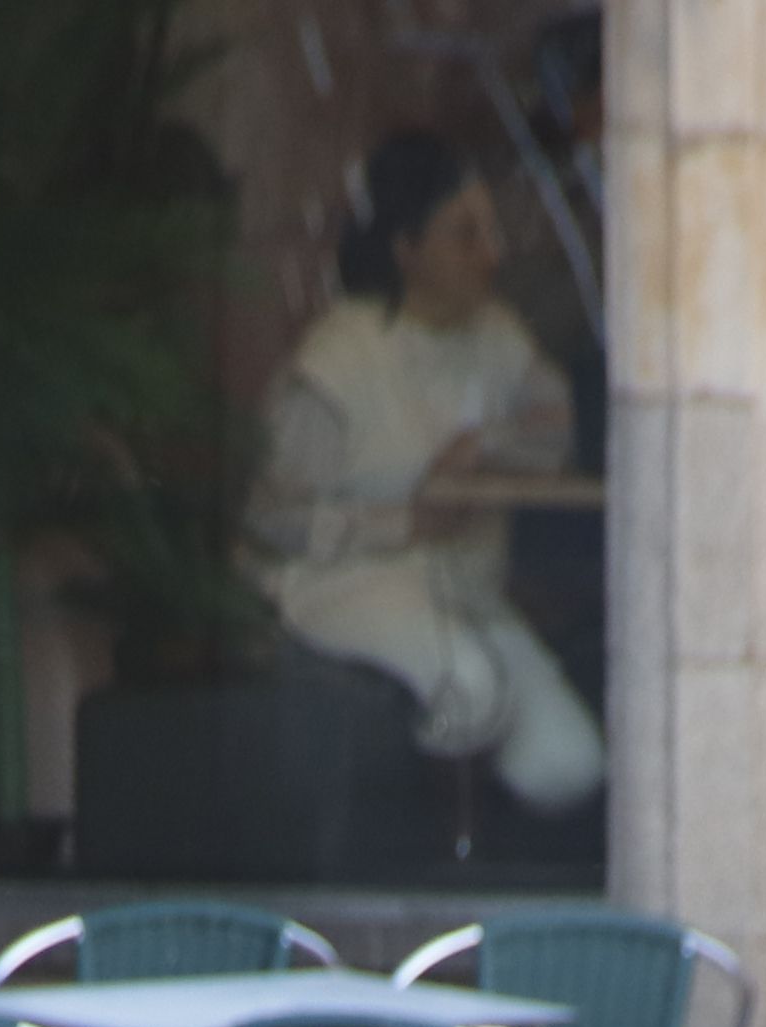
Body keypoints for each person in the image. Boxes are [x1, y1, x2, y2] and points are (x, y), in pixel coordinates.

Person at [248, 131, 605, 815]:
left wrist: (485, 454)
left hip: (463, 588)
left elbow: (552, 432)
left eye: (490, 233)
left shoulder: (498, 335)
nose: (490, 256)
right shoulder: (338, 361)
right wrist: (406, 520)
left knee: (568, 762)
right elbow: (274, 520)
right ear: (406, 249)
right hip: (344, 582)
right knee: (468, 689)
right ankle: (434, 849)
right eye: (463, 236)